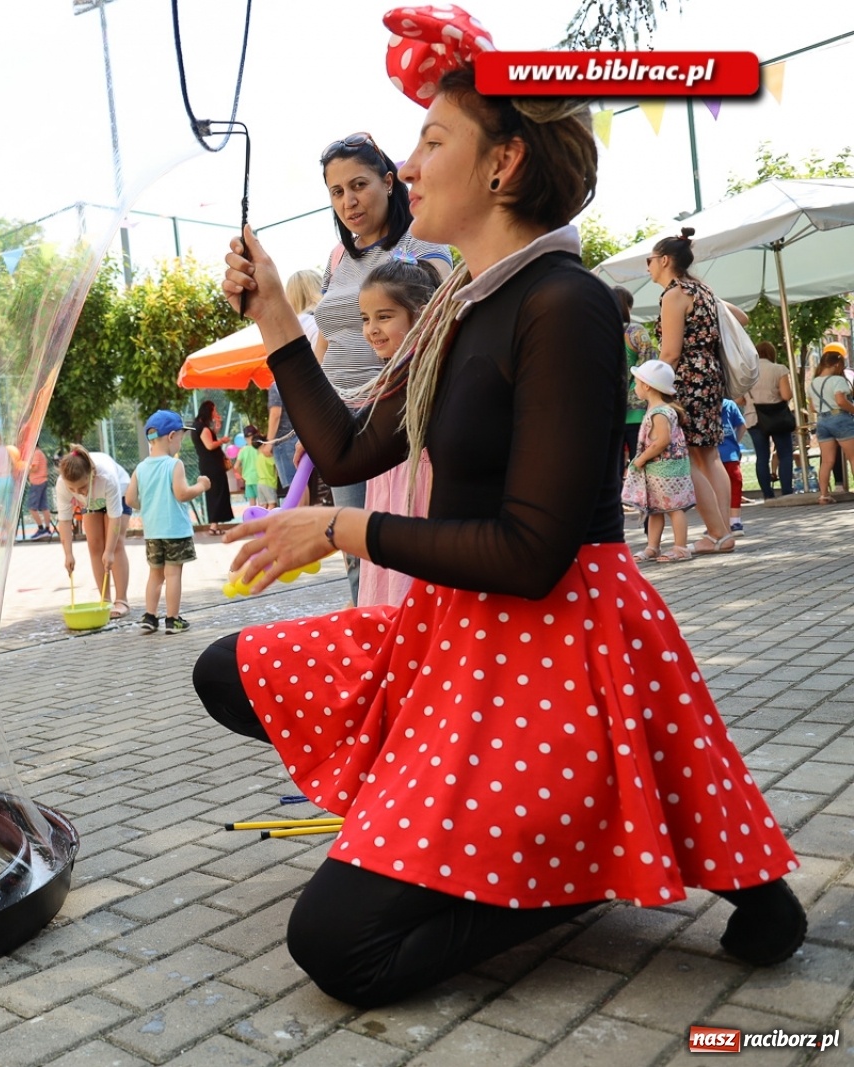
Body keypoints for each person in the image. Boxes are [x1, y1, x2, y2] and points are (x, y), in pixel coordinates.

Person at [201, 46, 803, 1009]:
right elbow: (351, 448)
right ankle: (462, 826)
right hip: (454, 628)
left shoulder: (562, 305)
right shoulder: (454, 306)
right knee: (225, 670)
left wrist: (340, 535)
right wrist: (275, 316)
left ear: (503, 163)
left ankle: (571, 865)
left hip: (555, 646)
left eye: (431, 140)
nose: (405, 167)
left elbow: (531, 554)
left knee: (339, 945)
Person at [311, 131, 453, 604]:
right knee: (354, 548)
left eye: (359, 185)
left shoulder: (423, 241)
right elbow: (326, 335)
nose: (348, 201)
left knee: (400, 541)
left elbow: (445, 320)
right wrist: (306, 422)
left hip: (395, 416)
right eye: (337, 192)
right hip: (339, 417)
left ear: (388, 182)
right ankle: (373, 651)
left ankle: (417, 647)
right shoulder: (337, 257)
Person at [646, 228, 750, 554]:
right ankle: (721, 533)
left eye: (649, 260)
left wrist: (655, 389)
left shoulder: (674, 295)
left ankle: (716, 532)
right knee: (710, 456)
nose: (647, 266)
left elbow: (670, 353)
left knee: (688, 455)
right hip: (711, 378)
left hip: (687, 381)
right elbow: (743, 317)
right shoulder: (703, 291)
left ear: (664, 260)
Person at [355, 256, 440, 607]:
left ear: (419, 315)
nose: (371, 329)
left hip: (415, 497)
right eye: (365, 319)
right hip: (387, 494)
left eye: (384, 316)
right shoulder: (388, 377)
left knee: (410, 594)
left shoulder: (425, 374)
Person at [125, 410, 210, 635]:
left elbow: (130, 499)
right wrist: (201, 486)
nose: (180, 443)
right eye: (181, 437)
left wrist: (150, 506)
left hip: (152, 531)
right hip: (174, 530)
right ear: (171, 436)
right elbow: (182, 494)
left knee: (155, 574)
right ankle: (172, 619)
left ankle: (150, 616)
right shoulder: (174, 464)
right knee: (173, 574)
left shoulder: (141, 467)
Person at [627, 361, 696, 562]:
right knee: (655, 509)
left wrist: (640, 459)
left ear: (647, 386)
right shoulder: (661, 409)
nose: (635, 388)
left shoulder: (659, 412)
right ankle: (652, 547)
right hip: (659, 470)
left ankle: (681, 548)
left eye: (637, 383)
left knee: (674, 508)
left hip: (666, 469)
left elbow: (662, 441)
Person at [266, 271, 326, 496]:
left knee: (300, 491)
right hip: (341, 410)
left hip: (308, 419)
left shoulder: (297, 325)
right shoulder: (326, 321)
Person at [55, 445, 132, 618]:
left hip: (119, 494)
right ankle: (105, 600)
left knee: (116, 544)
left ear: (92, 475)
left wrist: (110, 551)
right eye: (72, 490)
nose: (77, 493)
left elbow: (114, 518)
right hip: (91, 502)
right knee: (95, 546)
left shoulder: (106, 478)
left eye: (81, 487)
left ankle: (122, 600)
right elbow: (65, 521)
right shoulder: (63, 484)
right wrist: (68, 554)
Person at [611, 286, 657, 466]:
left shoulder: (600, 331)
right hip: (637, 411)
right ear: (628, 306)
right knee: (643, 464)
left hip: (611, 410)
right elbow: (650, 364)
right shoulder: (636, 331)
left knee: (613, 467)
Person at [744, 340, 796, 499]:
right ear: (772, 353)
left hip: (754, 417)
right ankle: (787, 491)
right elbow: (786, 395)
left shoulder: (746, 372)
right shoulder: (779, 369)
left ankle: (768, 494)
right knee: (785, 453)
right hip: (777, 418)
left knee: (762, 457)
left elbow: (739, 400)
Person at [809, 345, 854, 505]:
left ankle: (823, 495)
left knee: (827, 461)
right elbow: (841, 401)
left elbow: (813, 407)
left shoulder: (813, 383)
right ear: (836, 364)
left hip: (822, 421)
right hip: (840, 418)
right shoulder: (838, 380)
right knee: (852, 457)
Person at [191, 401, 234, 535]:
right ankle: (213, 526)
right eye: (214, 411)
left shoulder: (198, 426)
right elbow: (209, 445)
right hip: (213, 466)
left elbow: (209, 439)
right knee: (217, 493)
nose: (215, 413)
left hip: (208, 465)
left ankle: (215, 525)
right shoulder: (203, 428)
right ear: (209, 411)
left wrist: (217, 428)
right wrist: (222, 440)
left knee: (215, 493)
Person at [719, 397, 747, 532]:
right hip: (731, 454)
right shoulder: (729, 404)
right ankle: (735, 521)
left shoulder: (701, 404)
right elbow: (742, 425)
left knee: (716, 490)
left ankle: (720, 523)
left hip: (711, 456)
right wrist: (735, 441)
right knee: (735, 486)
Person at [25, 444, 53, 540]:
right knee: (44, 507)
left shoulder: (36, 453)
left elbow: (35, 468)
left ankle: (41, 529)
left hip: (37, 482)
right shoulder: (39, 452)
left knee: (32, 507)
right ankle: (47, 529)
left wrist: (24, 469)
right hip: (42, 481)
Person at [237, 426, 263, 506]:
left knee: (252, 504)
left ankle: (252, 518)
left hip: (248, 480)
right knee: (261, 504)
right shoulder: (259, 448)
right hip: (259, 478)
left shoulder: (243, 450)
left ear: (245, 438)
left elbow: (236, 466)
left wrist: (242, 476)